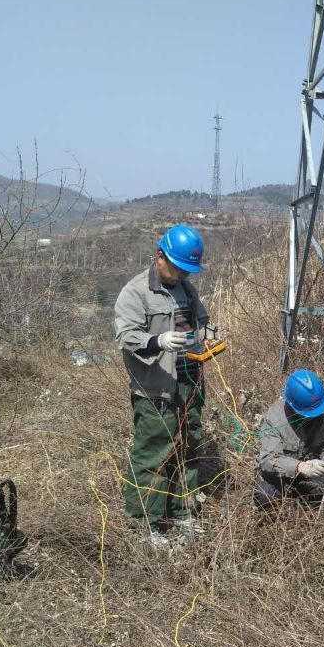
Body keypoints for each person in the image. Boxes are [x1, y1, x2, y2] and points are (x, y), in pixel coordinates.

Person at [113, 224, 209, 547]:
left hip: (189, 381)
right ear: (160, 257)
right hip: (155, 387)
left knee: (188, 447)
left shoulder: (187, 289)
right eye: (178, 268)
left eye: (188, 270)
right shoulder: (135, 292)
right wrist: (158, 341)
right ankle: (145, 523)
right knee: (153, 452)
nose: (183, 275)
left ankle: (183, 512)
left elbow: (202, 321)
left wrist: (209, 338)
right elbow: (126, 337)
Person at [254, 369, 324, 509]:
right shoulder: (275, 416)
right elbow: (268, 459)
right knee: (266, 497)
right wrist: (300, 467)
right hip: (279, 473)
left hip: (313, 473)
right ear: (292, 405)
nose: (312, 416)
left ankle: (303, 509)